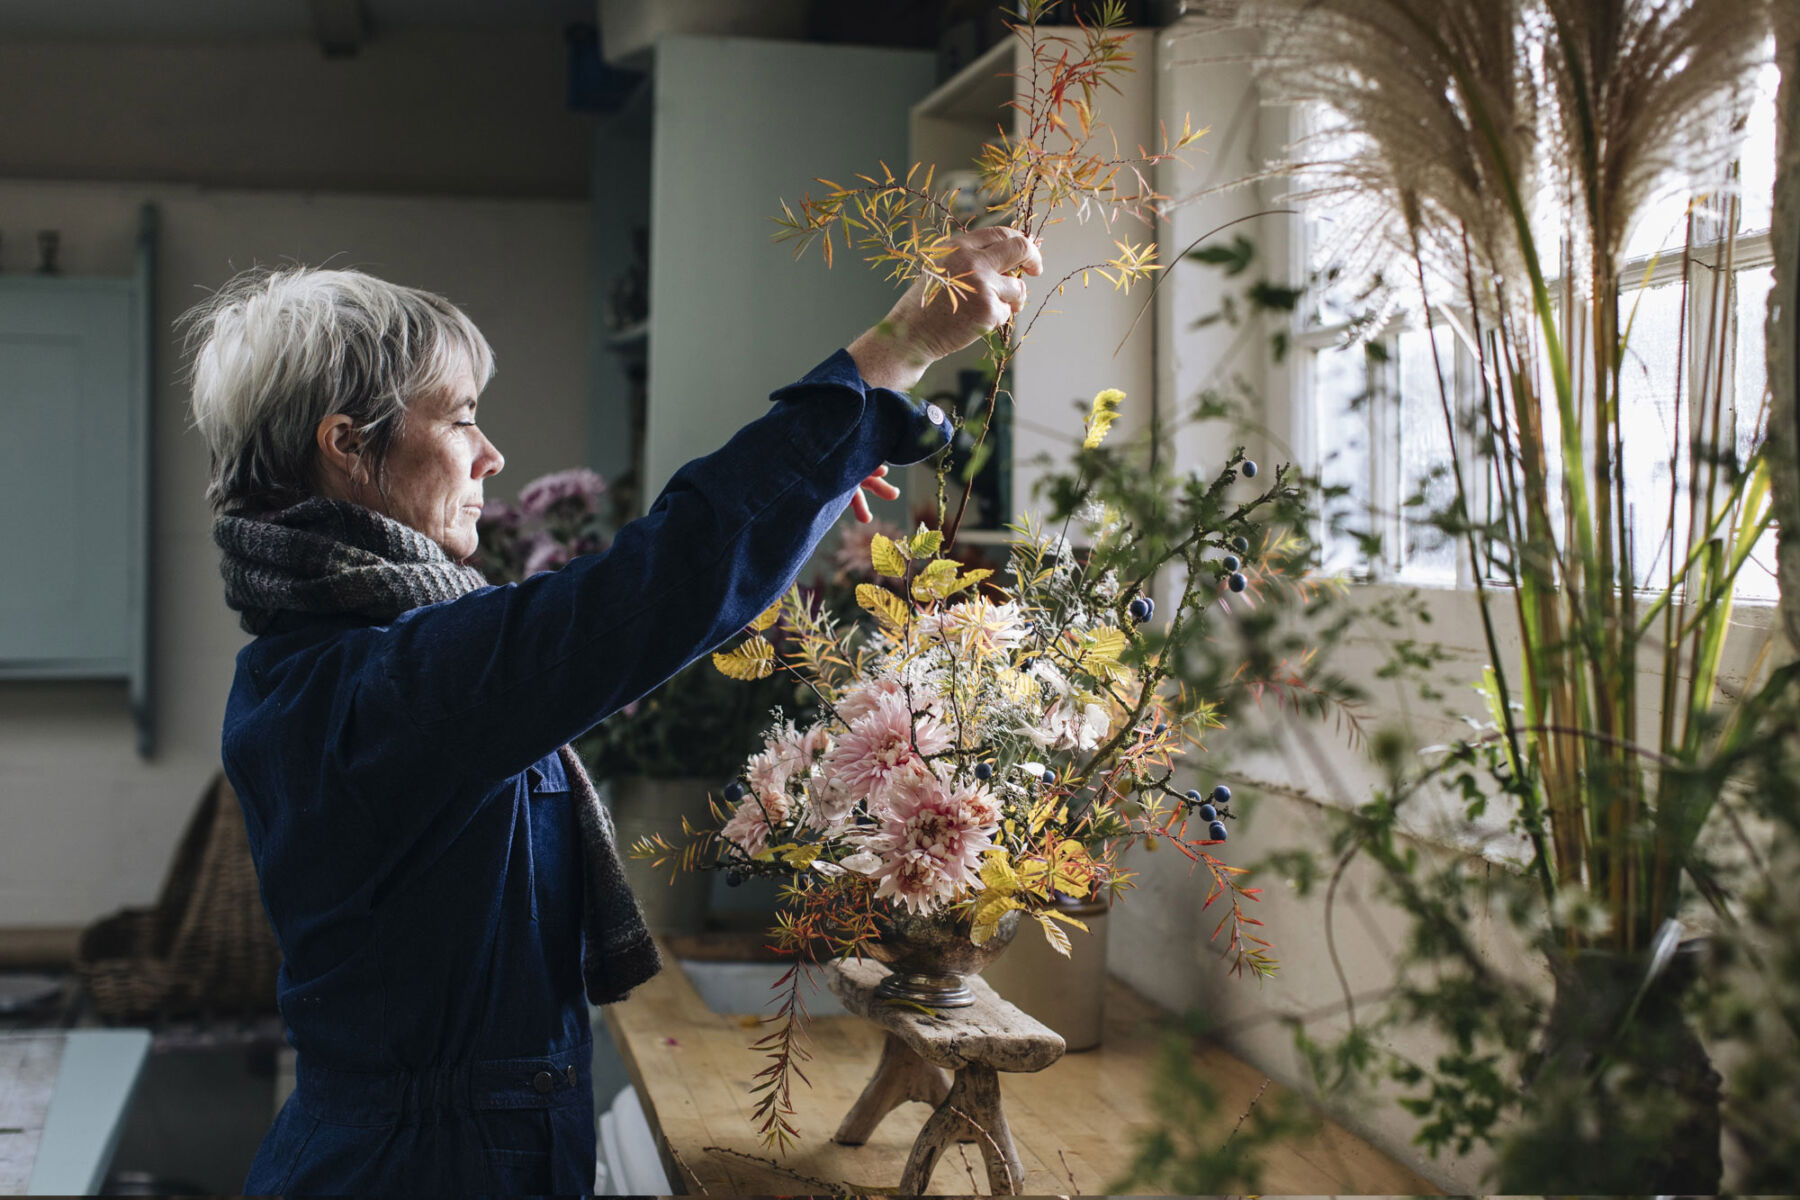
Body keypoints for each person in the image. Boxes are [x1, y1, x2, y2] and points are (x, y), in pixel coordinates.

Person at [188, 226, 1042, 1194]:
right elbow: (652, 593)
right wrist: (897, 350)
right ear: (347, 448)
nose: (491, 455)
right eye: (461, 419)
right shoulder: (378, 691)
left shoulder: (331, 665)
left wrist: (815, 481)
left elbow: (662, 604)